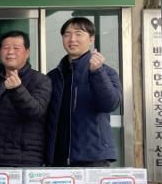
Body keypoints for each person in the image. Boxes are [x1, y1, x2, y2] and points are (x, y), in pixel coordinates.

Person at [47, 17, 122, 167]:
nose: (72, 39)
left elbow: (110, 104)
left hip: (93, 157)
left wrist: (97, 72)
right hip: (58, 159)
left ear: (91, 39)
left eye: (78, 33)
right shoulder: (54, 76)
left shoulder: (106, 72)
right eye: (67, 34)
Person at [0, 31, 52, 167]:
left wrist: (17, 89)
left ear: (27, 52)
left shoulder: (40, 80)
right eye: (6, 48)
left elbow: (35, 112)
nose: (10, 52)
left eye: (16, 48)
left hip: (23, 159)